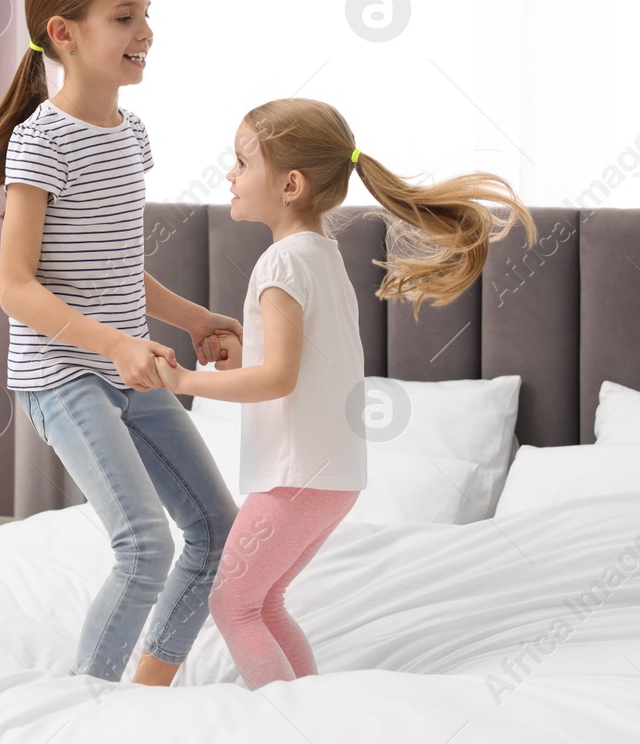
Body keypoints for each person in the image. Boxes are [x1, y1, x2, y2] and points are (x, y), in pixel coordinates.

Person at [0, 0, 241, 686]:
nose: (146, 32)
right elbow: (17, 287)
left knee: (216, 531)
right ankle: (82, 712)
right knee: (144, 545)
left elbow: (113, 268)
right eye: (125, 16)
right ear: (64, 33)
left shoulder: (130, 135)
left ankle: (144, 693)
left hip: (126, 366)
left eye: (147, 15)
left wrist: (193, 317)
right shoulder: (41, 141)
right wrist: (115, 345)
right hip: (63, 376)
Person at [151, 97, 536, 689]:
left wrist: (184, 381)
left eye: (241, 162)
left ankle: (283, 722)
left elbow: (278, 378)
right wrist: (241, 354)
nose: (229, 174)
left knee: (233, 604)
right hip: (332, 479)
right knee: (266, 599)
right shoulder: (321, 256)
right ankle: (314, 715)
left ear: (291, 184)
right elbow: (301, 365)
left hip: (292, 477)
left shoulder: (279, 264)